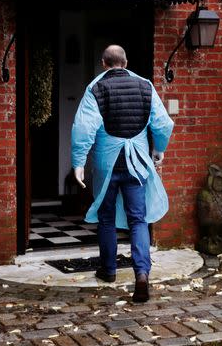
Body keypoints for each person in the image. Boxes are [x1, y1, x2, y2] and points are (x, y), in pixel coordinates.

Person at [71, 45, 174, 303]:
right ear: (125, 62)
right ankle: (141, 274)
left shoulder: (96, 88)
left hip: (107, 163)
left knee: (106, 218)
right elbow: (162, 123)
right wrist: (159, 149)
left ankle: (109, 270)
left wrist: (78, 161)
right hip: (137, 163)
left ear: (104, 63)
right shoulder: (145, 86)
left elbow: (84, 128)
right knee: (138, 220)